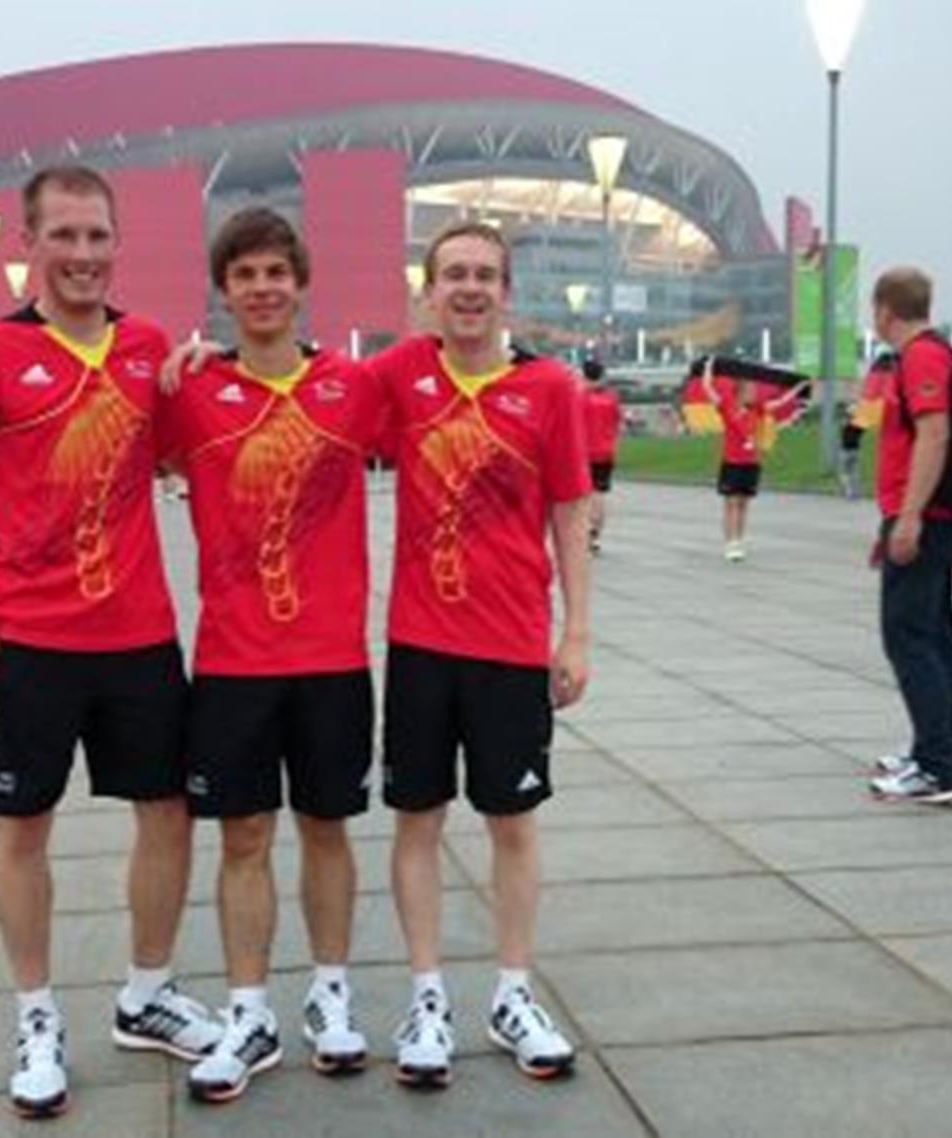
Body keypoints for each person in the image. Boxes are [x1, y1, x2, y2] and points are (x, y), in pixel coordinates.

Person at [0, 165, 221, 1120]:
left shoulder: (145, 346)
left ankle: (147, 993)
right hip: (30, 642)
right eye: (65, 235)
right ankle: (37, 1017)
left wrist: (201, 376)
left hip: (139, 634)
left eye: (97, 236)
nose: (83, 254)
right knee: (23, 827)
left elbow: (180, 451)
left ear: (116, 242)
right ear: (31, 242)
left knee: (168, 812)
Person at [157, 208, 382, 1103]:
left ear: (300, 284)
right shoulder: (191, 391)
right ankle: (248, 1011)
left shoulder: (352, 387)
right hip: (233, 661)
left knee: (328, 827)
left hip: (332, 657)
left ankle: (331, 994)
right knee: (242, 836)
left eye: (275, 273)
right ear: (224, 290)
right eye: (244, 275)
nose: (261, 289)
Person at [367, 221, 592, 1089]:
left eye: (485, 276)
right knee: (417, 821)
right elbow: (304, 387)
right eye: (454, 275)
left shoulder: (549, 388)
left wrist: (576, 632)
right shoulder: (400, 374)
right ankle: (426, 998)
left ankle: (512, 994)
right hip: (421, 645)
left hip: (511, 644)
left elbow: (569, 510)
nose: (469, 289)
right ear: (427, 292)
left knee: (513, 823)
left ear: (506, 293)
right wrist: (211, 359)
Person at [866, 268, 952, 805]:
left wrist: (909, 518)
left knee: (907, 635)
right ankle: (932, 748)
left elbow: (935, 435)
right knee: (933, 634)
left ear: (885, 310)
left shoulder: (922, 357)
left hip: (925, 516)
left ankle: (936, 766)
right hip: (931, 513)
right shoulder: (934, 353)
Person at [714, 375, 764, 562]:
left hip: (750, 462)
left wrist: (796, 389)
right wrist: (708, 371)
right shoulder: (728, 407)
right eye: (751, 390)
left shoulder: (756, 410)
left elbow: (777, 404)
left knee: (743, 504)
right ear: (740, 392)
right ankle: (730, 543)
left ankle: (739, 541)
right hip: (732, 462)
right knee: (731, 503)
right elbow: (710, 393)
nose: (754, 393)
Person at [583, 358, 622, 553]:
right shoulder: (612, 398)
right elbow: (617, 422)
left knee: (584, 495)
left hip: (583, 452)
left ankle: (587, 531)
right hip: (606, 451)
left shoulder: (580, 397)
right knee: (599, 493)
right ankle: (596, 532)